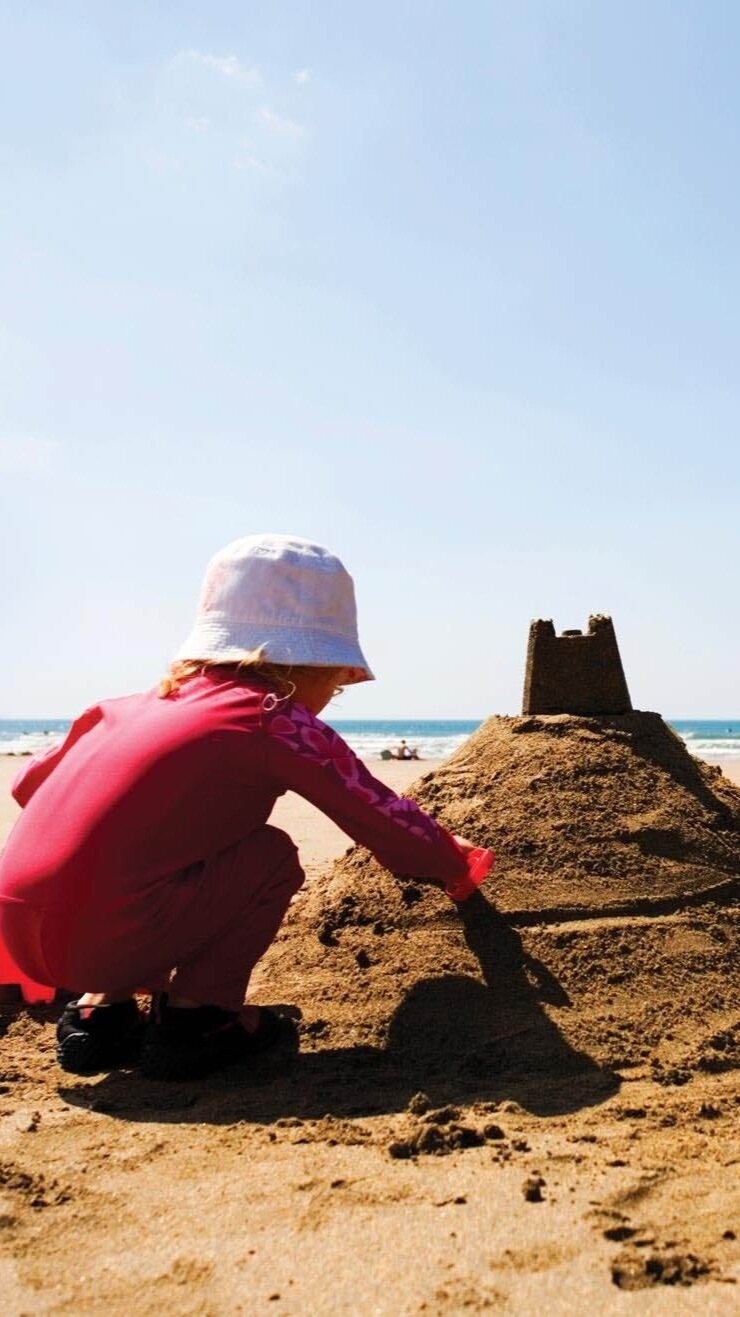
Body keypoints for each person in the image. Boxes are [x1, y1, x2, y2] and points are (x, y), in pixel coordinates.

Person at [0, 534, 474, 1081]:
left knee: (138, 863)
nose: (330, 702)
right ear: (311, 666)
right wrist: (449, 861)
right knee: (268, 854)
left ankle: (99, 1017)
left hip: (20, 934)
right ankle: (200, 1019)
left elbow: (28, 786)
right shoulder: (275, 717)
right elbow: (375, 811)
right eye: (336, 686)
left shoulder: (121, 708)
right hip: (108, 939)